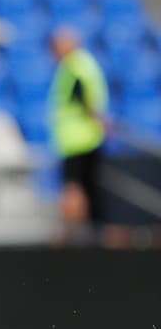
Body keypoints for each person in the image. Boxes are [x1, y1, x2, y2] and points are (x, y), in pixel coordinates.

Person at [48, 27, 109, 238]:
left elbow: (86, 101)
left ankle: (73, 234)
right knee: (88, 187)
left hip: (78, 140)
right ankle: (89, 233)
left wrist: (99, 119)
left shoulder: (74, 67)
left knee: (74, 189)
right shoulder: (85, 64)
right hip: (87, 138)